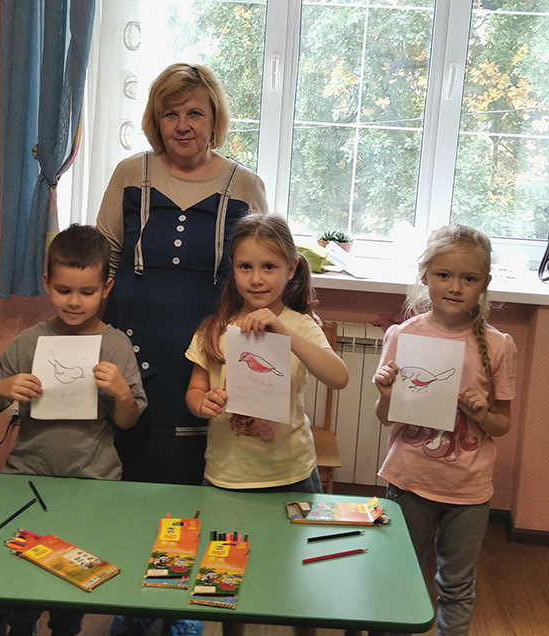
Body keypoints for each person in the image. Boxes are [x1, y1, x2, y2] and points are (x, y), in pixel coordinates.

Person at [97, 62, 269, 488]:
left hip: (211, 351)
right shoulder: (129, 174)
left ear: (214, 119)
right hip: (131, 346)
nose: (182, 125)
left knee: (203, 470)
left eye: (194, 113)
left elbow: (265, 266)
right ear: (156, 122)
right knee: (130, 464)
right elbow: (104, 258)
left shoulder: (246, 185)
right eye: (170, 114)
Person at [0, 224, 147, 636]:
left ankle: (65, 626)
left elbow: (128, 420)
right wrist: (3, 388)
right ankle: (18, 622)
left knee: (73, 576)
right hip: (27, 477)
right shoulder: (29, 341)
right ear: (46, 283)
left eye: (87, 292)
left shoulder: (116, 345)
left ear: (106, 288)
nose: (74, 302)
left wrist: (122, 393)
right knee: (21, 574)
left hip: (92, 481)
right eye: (63, 290)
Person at [184, 213, 347, 636]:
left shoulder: (300, 325)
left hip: (291, 473)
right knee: (225, 579)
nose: (257, 279)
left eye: (269, 266)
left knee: (299, 573)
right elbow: (195, 390)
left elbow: (339, 377)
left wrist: (284, 333)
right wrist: (203, 403)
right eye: (246, 266)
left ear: (290, 269)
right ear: (233, 268)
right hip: (228, 476)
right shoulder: (215, 329)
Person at [372, 224, 516, 636]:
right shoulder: (403, 335)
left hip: (468, 490)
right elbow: (386, 417)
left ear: (484, 284)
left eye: (469, 278)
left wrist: (481, 413)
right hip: (410, 480)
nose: (455, 287)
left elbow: (502, 424)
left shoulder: (499, 345)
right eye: (444, 275)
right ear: (425, 276)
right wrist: (386, 393)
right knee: (398, 572)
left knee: (456, 584)